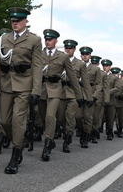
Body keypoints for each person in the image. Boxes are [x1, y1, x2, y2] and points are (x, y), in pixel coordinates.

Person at [0, 8, 42, 174]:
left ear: (26, 22)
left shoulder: (34, 40)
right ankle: (18, 139)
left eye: (18, 20)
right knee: (4, 121)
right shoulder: (4, 38)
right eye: (13, 21)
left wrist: (36, 90)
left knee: (18, 120)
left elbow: (37, 66)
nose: (15, 23)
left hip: (24, 84)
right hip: (7, 83)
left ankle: (16, 154)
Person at [38, 29, 81, 161]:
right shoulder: (38, 54)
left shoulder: (62, 57)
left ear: (56, 41)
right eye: (46, 39)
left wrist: (79, 95)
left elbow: (73, 77)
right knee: (43, 117)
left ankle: (47, 145)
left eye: (50, 39)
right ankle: (50, 139)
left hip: (55, 89)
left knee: (51, 116)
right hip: (40, 89)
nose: (47, 41)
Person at [56, 39, 91, 153]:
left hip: (74, 93)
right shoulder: (60, 60)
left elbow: (85, 82)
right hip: (61, 92)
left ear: (74, 49)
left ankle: (67, 139)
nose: (68, 50)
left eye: (70, 48)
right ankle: (69, 131)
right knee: (60, 117)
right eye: (66, 48)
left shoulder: (80, 64)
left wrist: (88, 97)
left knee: (71, 117)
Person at [78, 46, 102, 147]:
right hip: (78, 93)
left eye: (86, 54)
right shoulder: (76, 65)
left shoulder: (95, 69)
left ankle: (86, 137)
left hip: (90, 95)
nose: (85, 56)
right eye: (83, 54)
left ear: (90, 56)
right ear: (81, 55)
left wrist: (94, 97)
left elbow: (99, 84)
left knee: (88, 117)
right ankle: (82, 130)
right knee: (77, 116)